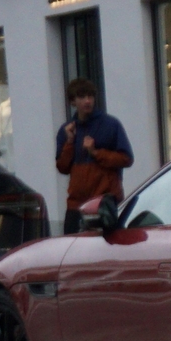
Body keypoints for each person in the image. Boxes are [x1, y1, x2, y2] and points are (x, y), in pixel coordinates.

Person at [54, 78, 133, 233]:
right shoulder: (67, 130)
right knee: (72, 253)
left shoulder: (110, 125)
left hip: (104, 203)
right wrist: (70, 141)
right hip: (76, 205)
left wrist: (96, 153)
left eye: (90, 96)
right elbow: (62, 167)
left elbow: (126, 158)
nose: (88, 101)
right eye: (82, 97)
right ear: (72, 102)